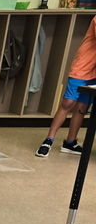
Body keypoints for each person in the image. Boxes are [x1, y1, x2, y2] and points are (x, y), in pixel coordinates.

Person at [36, 16, 96, 156]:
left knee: (82, 107)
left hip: (94, 73)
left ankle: (70, 142)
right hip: (82, 68)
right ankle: (48, 140)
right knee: (68, 103)